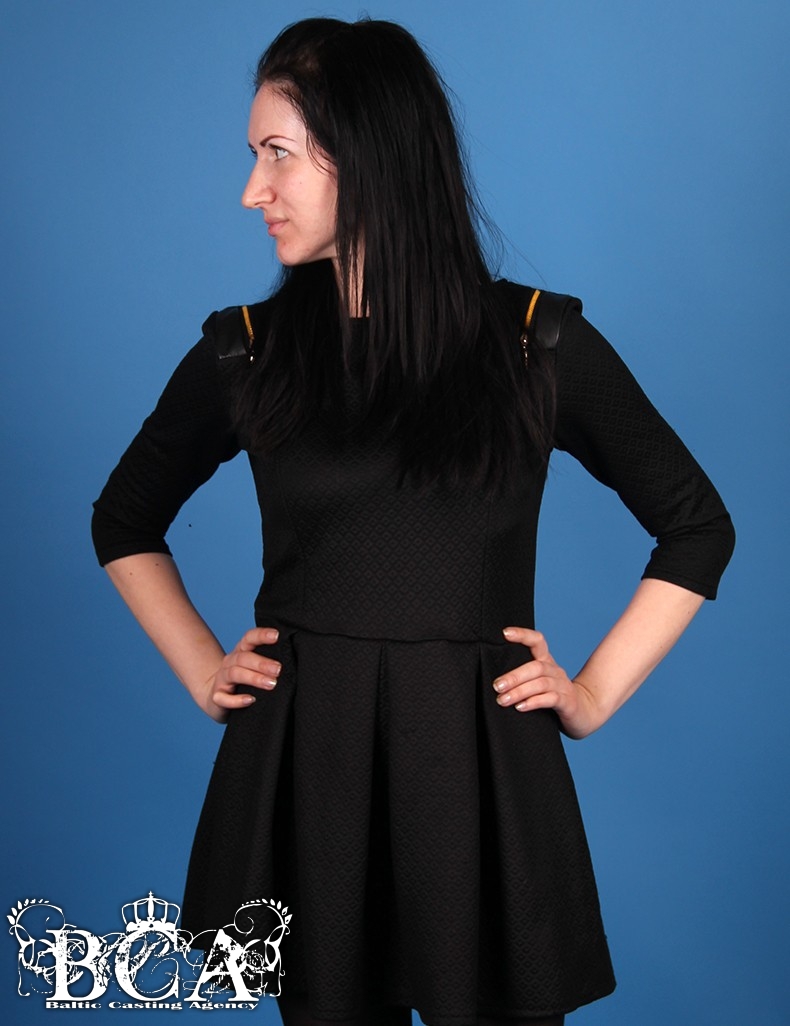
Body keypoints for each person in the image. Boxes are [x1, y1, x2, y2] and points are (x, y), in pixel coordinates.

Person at [91, 16, 735, 1026]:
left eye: (277, 154)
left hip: (480, 770)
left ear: (369, 155)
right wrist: (203, 667)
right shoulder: (246, 351)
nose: (252, 191)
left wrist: (592, 695)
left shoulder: (537, 345)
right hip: (310, 768)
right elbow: (125, 517)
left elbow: (696, 524)